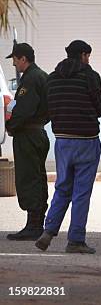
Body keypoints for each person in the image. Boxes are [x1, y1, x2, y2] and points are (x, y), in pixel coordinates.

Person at [35, 40, 101, 254]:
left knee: (62, 187)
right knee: (81, 192)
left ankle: (48, 232)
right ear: (83, 55)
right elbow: (100, 108)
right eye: (88, 56)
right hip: (87, 140)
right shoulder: (90, 76)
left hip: (62, 140)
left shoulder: (52, 78)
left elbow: (48, 108)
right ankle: (75, 240)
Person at [5, 43, 50, 241]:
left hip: (28, 135)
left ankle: (33, 226)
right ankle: (37, 222)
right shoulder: (42, 76)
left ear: (23, 58)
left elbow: (24, 109)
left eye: (15, 59)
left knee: (29, 177)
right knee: (38, 177)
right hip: (37, 132)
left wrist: (10, 126)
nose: (14, 63)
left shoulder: (30, 79)